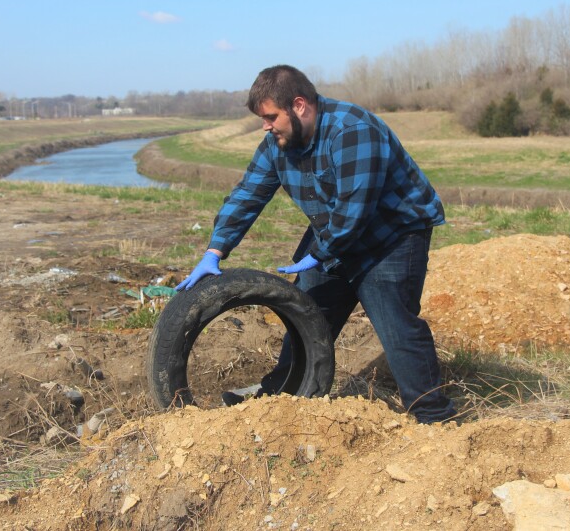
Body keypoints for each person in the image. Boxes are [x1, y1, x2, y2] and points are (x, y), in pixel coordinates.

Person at [175, 65, 456, 424]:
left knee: (395, 323)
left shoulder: (353, 131)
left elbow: (355, 208)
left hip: (392, 234)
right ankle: (285, 396)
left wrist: (320, 254)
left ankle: (435, 418)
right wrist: (215, 250)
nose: (265, 125)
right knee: (305, 314)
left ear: (300, 105)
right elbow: (247, 195)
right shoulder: (278, 143)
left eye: (270, 116)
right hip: (334, 231)